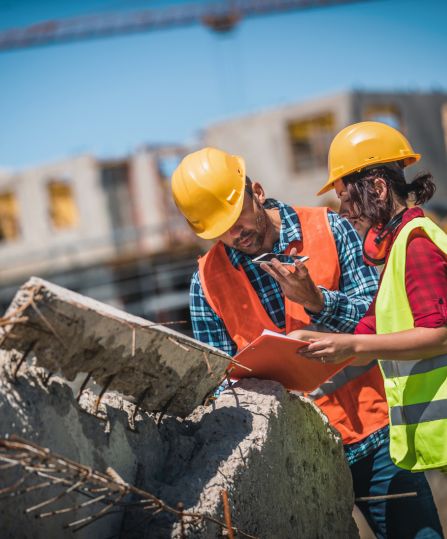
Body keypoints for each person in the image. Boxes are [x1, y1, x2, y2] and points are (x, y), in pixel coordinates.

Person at [171, 146, 443, 538]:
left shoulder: (329, 227)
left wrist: (317, 302)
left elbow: (383, 317)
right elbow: (219, 386)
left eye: (236, 217)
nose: (235, 233)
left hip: (374, 435)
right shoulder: (206, 283)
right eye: (219, 229)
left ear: (257, 192)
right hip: (293, 458)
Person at [294, 121, 447, 479]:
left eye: (347, 198)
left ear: (378, 189)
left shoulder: (416, 244)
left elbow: (440, 334)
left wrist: (352, 342)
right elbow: (369, 331)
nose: (343, 211)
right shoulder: (395, 248)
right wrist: (304, 351)